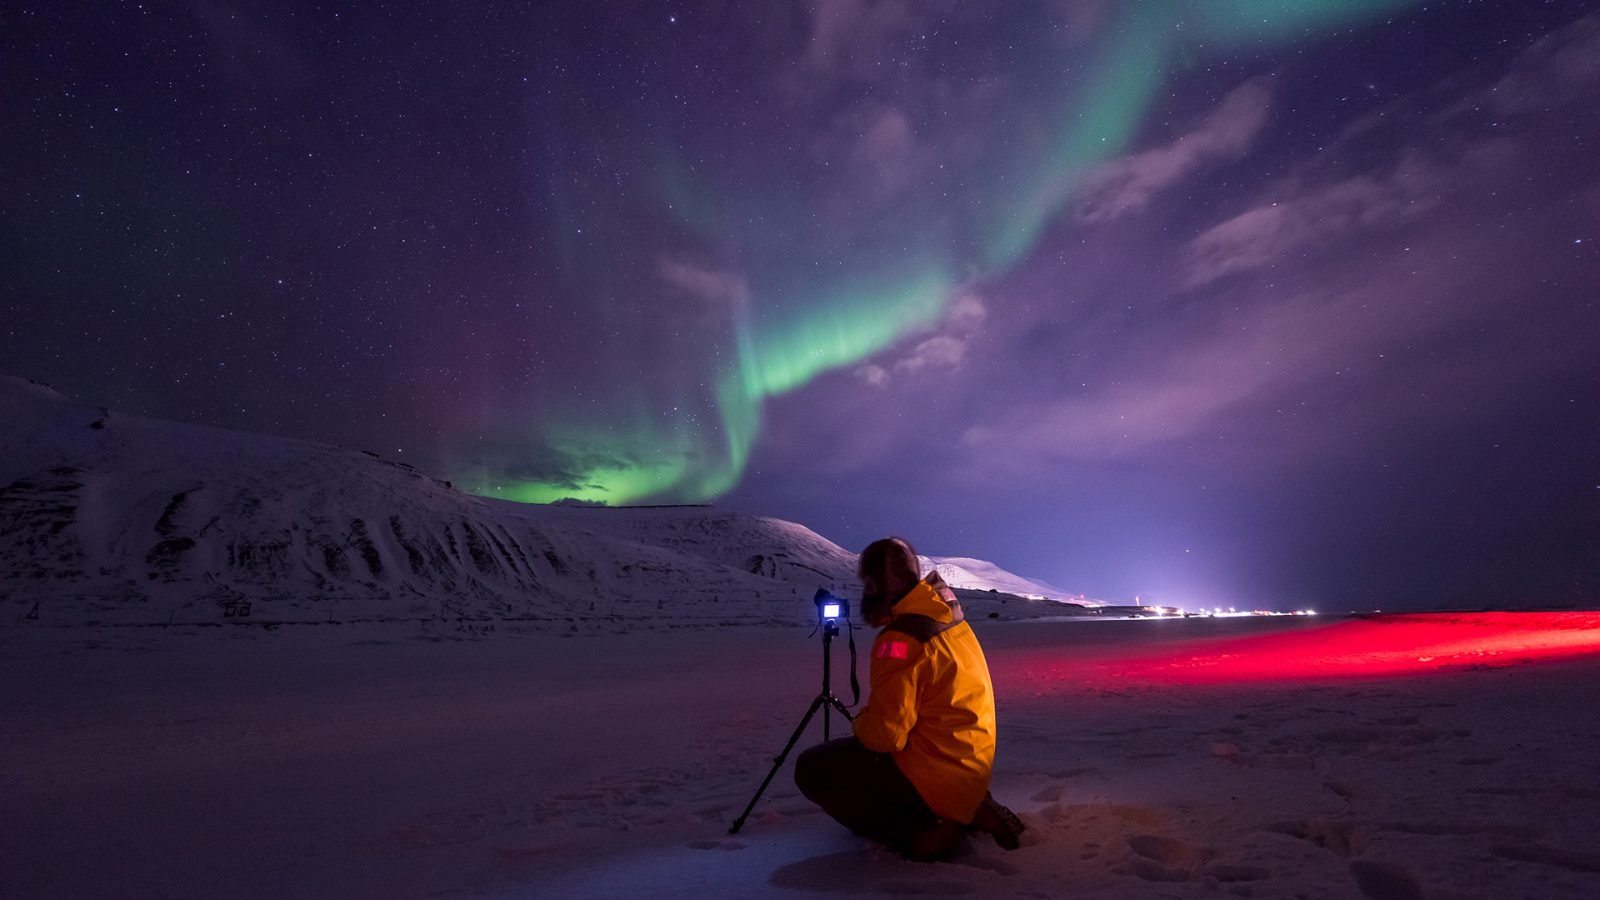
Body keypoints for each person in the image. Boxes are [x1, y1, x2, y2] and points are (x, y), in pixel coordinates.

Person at [794, 536, 1025, 860]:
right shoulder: (944, 612)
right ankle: (970, 805)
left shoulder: (901, 640)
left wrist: (861, 722)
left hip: (938, 772)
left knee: (812, 768)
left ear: (875, 584)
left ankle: (925, 831)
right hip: (969, 761)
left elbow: (885, 738)